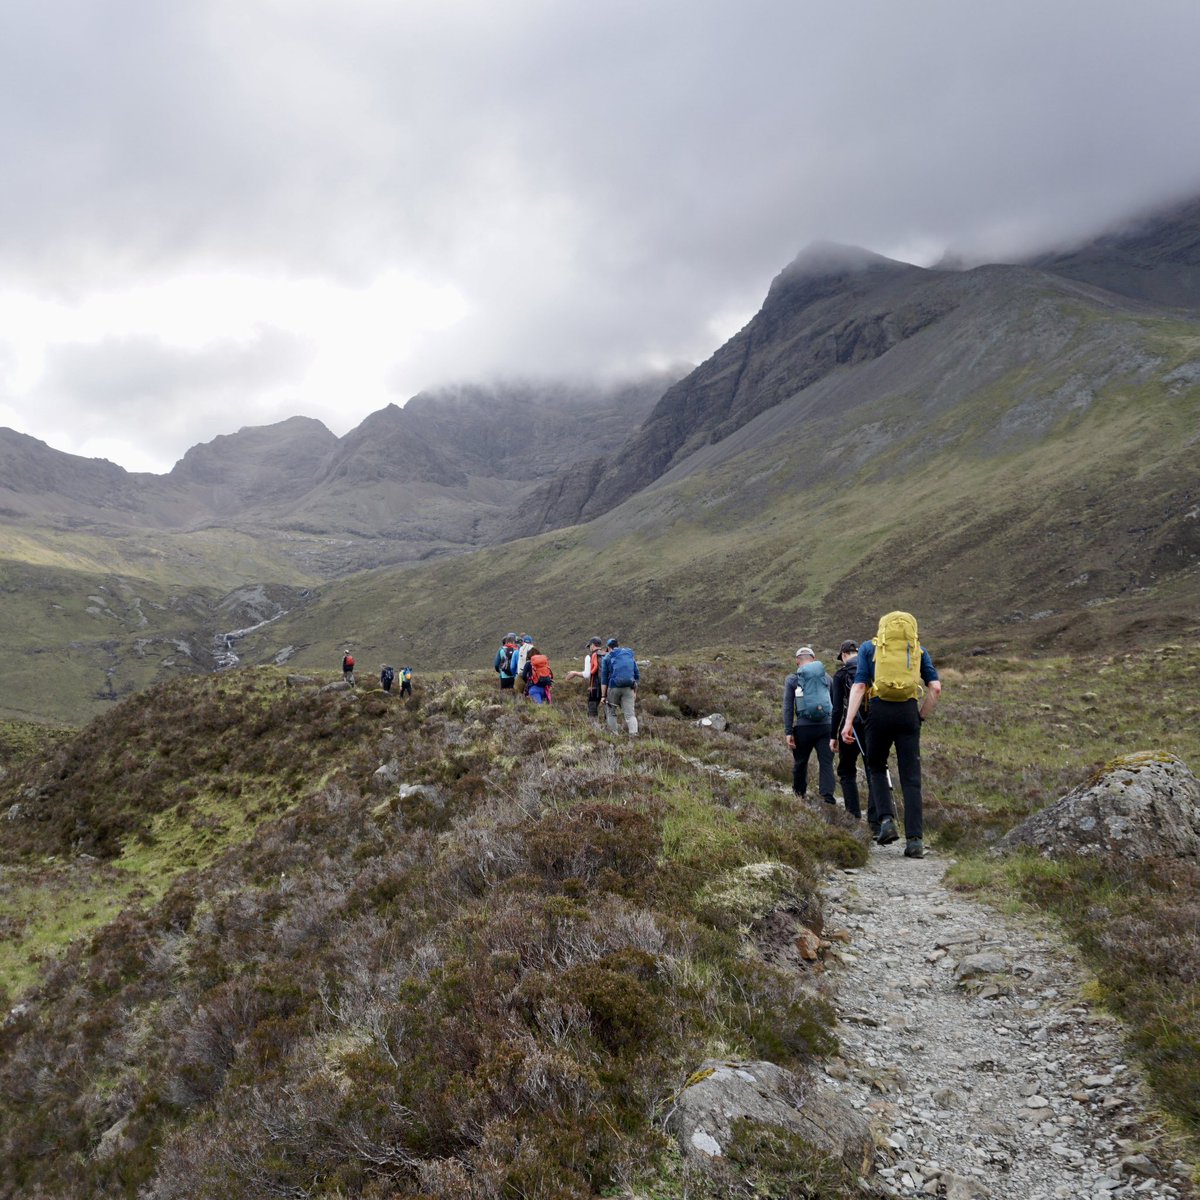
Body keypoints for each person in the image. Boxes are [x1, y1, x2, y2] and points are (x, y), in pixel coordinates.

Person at [840, 611, 942, 858]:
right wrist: (920, 716)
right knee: (911, 778)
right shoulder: (918, 650)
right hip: (908, 712)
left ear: (882, 628)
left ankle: (886, 821)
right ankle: (915, 841)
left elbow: (860, 686)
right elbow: (935, 688)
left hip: (879, 711)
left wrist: (849, 721)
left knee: (876, 766)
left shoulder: (868, 648)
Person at [783, 646, 836, 804]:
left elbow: (788, 707)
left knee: (801, 762)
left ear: (797, 661)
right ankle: (827, 798)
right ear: (814, 659)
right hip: (826, 727)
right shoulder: (827, 678)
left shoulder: (792, 679)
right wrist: (835, 730)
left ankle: (799, 794)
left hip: (803, 728)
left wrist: (788, 731)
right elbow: (835, 705)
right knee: (826, 763)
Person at [828, 640, 869, 823]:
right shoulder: (871, 669)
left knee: (846, 770)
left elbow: (837, 709)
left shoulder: (841, 674)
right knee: (873, 770)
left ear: (844, 654)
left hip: (849, 727)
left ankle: (853, 815)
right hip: (872, 726)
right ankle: (877, 822)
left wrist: (833, 735)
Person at [600, 637, 639, 735]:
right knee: (630, 715)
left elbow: (604, 679)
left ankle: (614, 734)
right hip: (629, 688)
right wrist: (635, 692)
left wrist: (603, 696)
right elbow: (636, 675)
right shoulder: (628, 656)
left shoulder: (607, 658)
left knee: (611, 712)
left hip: (613, 688)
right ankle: (634, 735)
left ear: (608, 647)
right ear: (618, 646)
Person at [567, 637, 605, 720]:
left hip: (594, 688)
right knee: (608, 712)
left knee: (592, 712)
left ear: (592, 645)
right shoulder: (607, 654)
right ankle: (610, 730)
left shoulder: (589, 657)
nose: (589, 648)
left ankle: (593, 730)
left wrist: (575, 673)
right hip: (607, 687)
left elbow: (587, 674)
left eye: (589, 646)